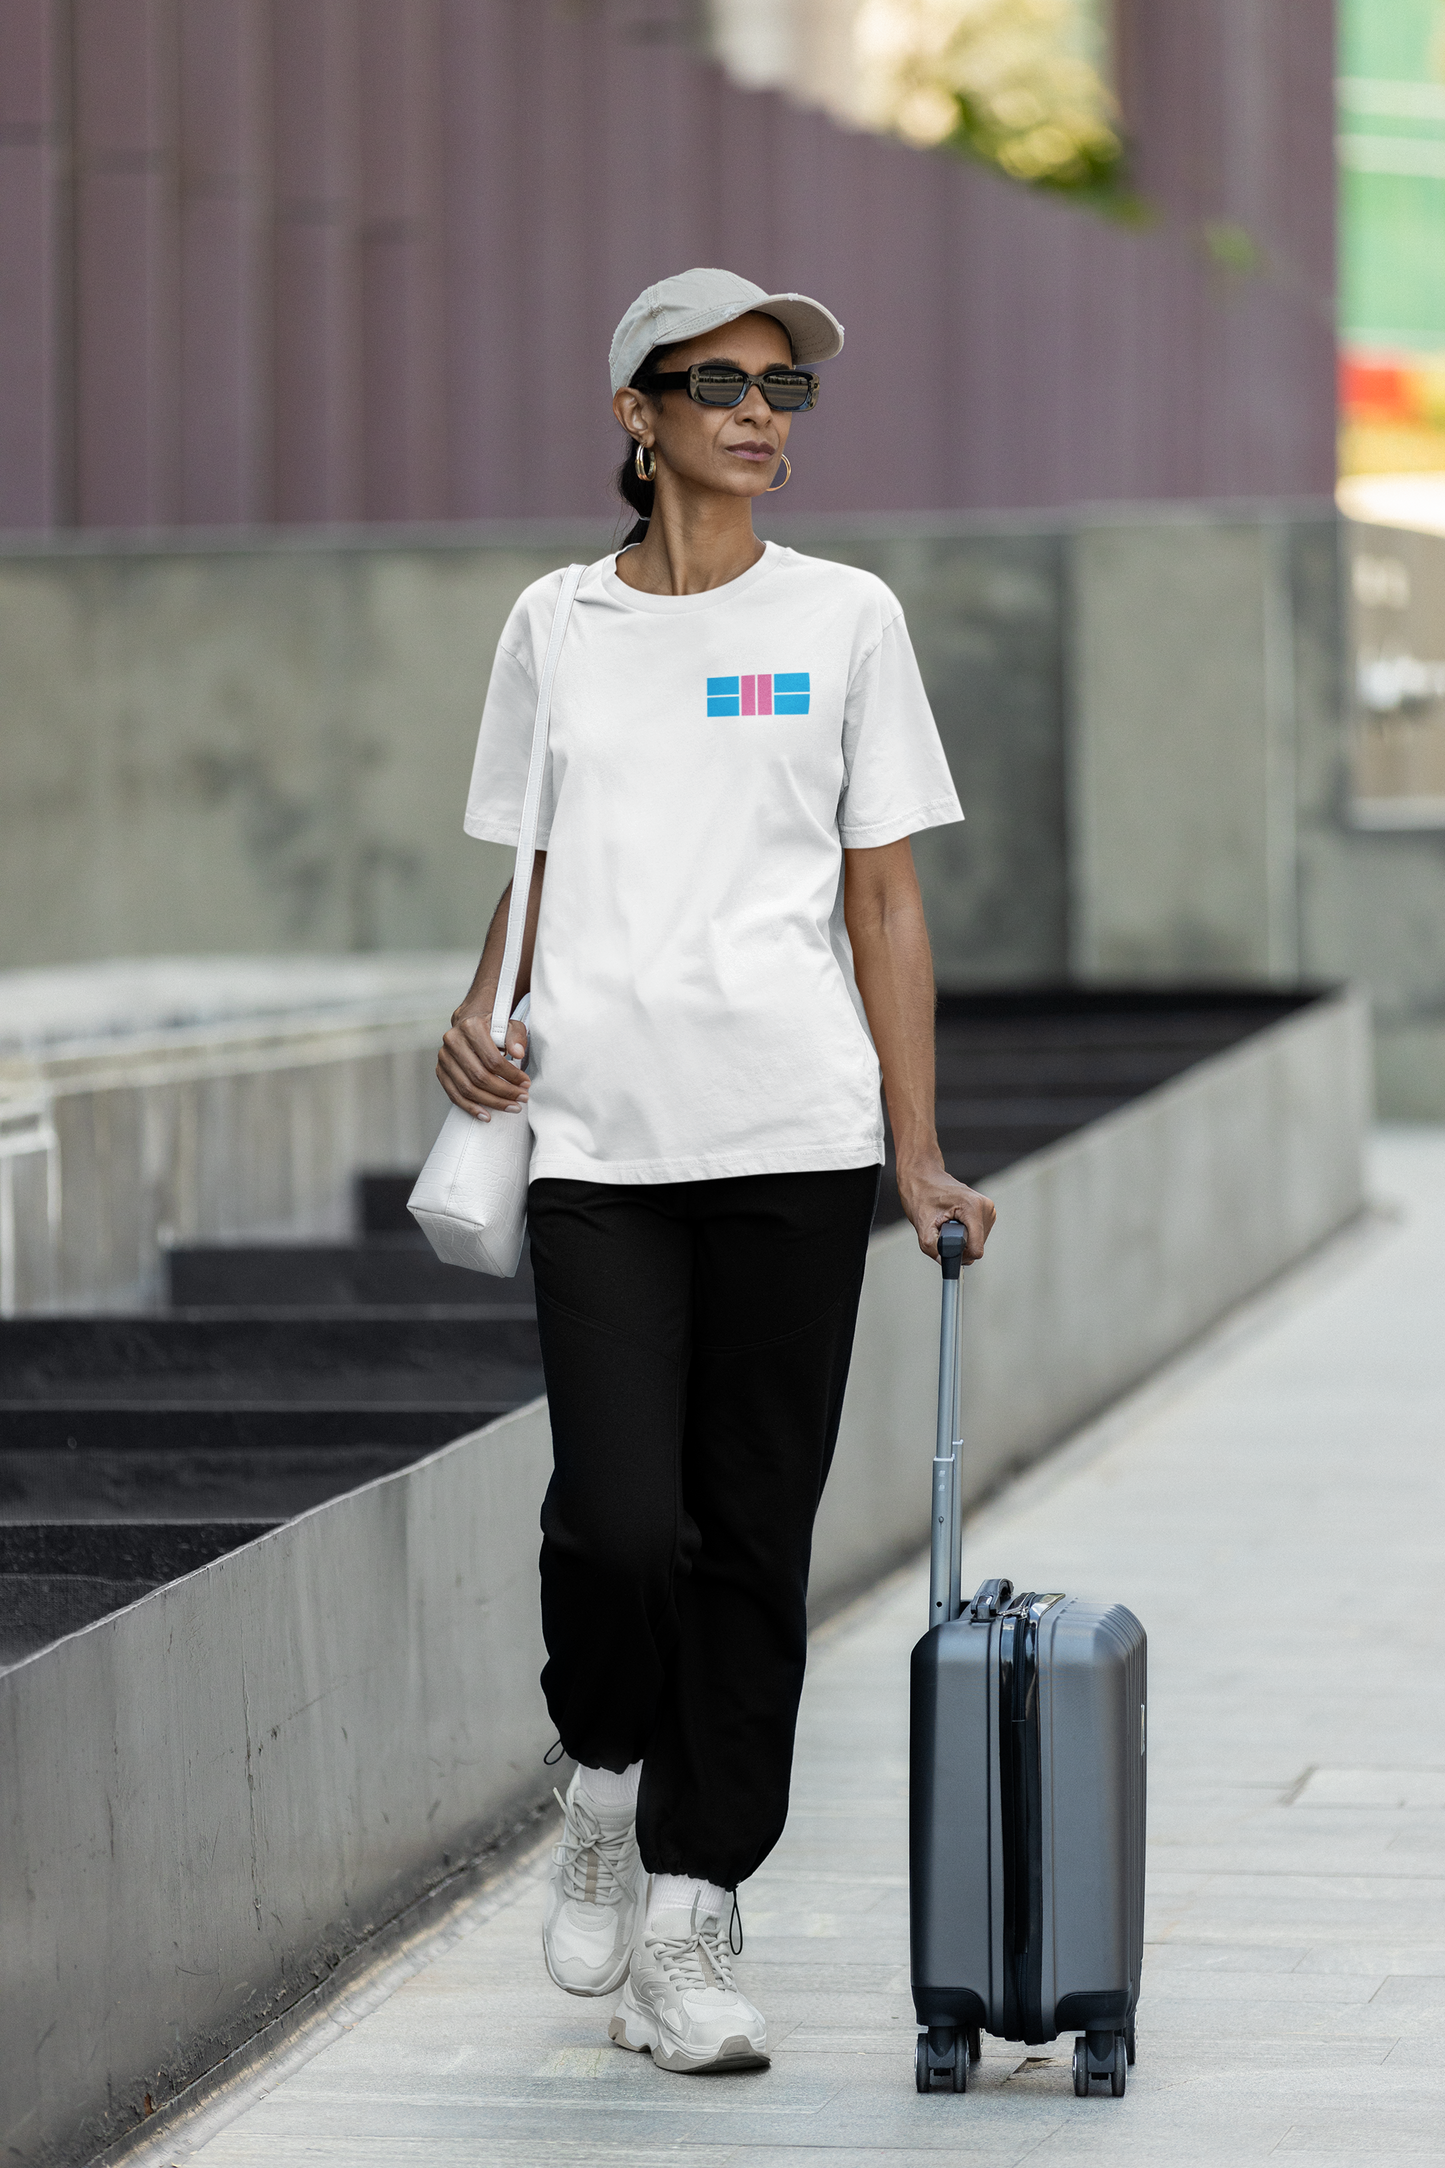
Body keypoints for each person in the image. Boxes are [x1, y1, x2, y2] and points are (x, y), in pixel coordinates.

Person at [437, 267, 996, 2077]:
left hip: (791, 1138)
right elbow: (533, 861)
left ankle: (693, 1912)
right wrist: (473, 1019)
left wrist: (914, 1151)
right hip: (598, 1134)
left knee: (749, 1534)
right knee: (613, 1521)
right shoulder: (556, 624)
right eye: (722, 384)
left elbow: (886, 896)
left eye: (787, 391)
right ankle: (601, 1773)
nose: (763, 414)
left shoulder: (846, 618)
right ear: (638, 414)